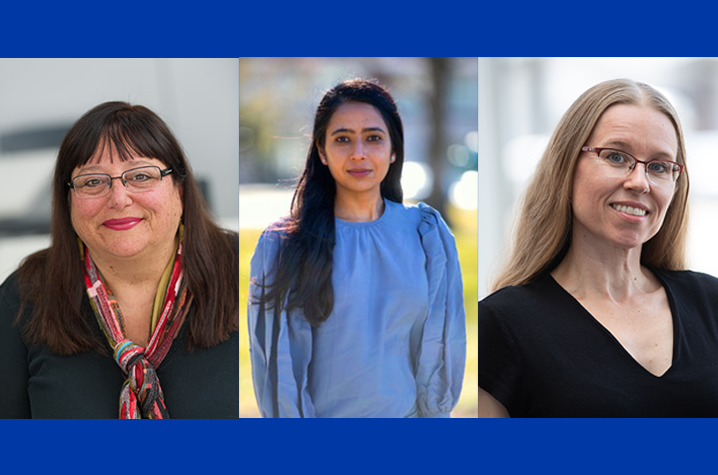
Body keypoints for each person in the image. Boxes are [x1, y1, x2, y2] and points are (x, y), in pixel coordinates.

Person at [478, 78, 718, 417]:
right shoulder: (503, 324)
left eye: (660, 166)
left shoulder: (710, 302)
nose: (639, 182)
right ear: (567, 166)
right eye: (616, 156)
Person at [0, 102, 239, 418]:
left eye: (141, 175)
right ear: (67, 199)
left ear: (179, 190)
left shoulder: (245, 270)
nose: (118, 198)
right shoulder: (21, 298)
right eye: (93, 182)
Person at [248, 78, 466, 418]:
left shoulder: (427, 236)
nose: (359, 153)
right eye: (342, 139)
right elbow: (279, 374)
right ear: (321, 151)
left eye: (373, 138)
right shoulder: (282, 246)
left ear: (394, 149)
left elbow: (439, 351)